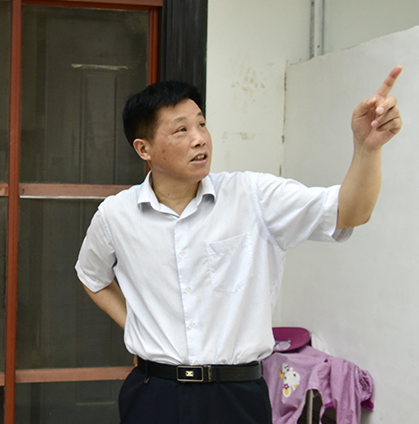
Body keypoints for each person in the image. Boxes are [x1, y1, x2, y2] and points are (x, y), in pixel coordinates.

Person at [75, 67, 403, 424]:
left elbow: (350, 212)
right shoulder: (116, 215)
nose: (199, 139)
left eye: (202, 124)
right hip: (154, 393)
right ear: (144, 148)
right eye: (181, 130)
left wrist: (367, 149)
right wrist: (136, 325)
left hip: (236, 397)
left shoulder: (252, 196)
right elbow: (92, 277)